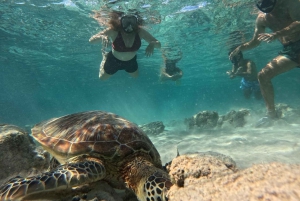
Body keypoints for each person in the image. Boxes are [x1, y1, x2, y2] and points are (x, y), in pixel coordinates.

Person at [229, 0, 300, 126]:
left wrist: (276, 35)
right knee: (263, 75)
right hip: (291, 50)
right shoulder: (261, 19)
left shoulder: (290, 3)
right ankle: (271, 114)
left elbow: (299, 23)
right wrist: (240, 48)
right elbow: (255, 42)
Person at [89, 11, 161, 80]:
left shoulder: (140, 32)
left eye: (132, 21)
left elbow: (158, 44)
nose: (129, 24)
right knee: (102, 78)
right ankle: (104, 58)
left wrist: (152, 44)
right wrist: (102, 36)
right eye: (126, 21)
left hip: (130, 61)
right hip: (114, 60)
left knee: (135, 76)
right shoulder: (114, 30)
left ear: (136, 22)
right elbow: (91, 41)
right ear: (121, 21)